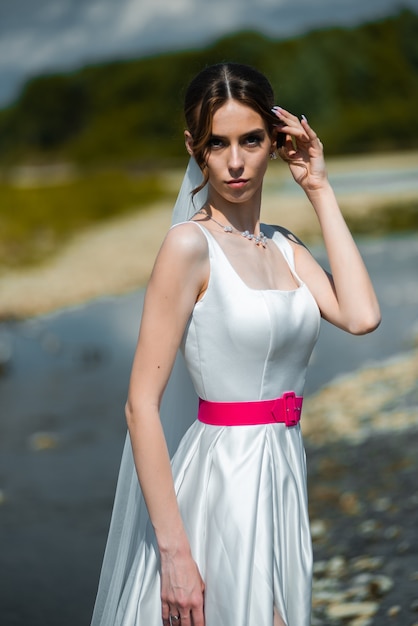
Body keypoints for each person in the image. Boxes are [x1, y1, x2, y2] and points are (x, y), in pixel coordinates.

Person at [91, 62, 381, 626]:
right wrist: (174, 556)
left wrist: (318, 187)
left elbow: (363, 315)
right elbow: (140, 406)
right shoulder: (187, 248)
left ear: (275, 141)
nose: (235, 160)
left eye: (251, 139)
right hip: (222, 483)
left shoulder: (287, 247)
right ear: (193, 148)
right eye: (216, 143)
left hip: (282, 473)